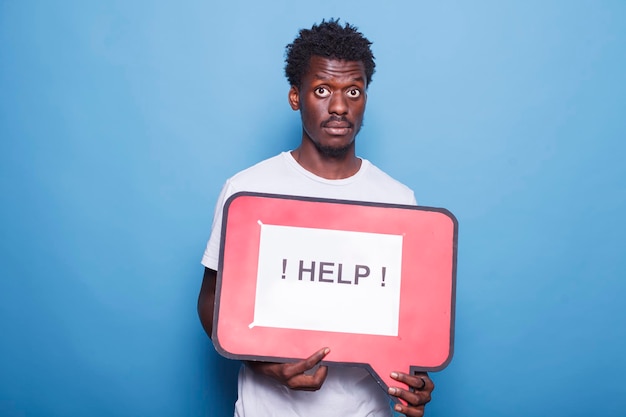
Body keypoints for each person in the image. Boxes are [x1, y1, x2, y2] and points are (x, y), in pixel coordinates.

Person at [197, 19, 434, 417]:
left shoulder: (397, 200)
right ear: (296, 96)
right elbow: (211, 299)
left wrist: (418, 379)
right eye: (322, 90)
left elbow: (409, 316)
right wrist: (264, 365)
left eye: (353, 91)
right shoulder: (248, 189)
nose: (339, 106)